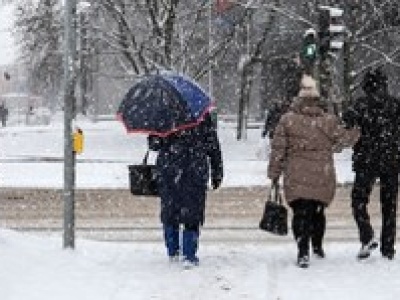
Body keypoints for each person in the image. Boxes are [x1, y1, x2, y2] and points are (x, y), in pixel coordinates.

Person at [267, 75, 360, 268]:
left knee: (300, 212)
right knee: (318, 212)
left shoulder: (287, 120)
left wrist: (274, 173)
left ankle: (303, 249)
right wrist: (357, 130)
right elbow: (345, 139)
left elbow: (278, 149)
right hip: (322, 174)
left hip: (296, 173)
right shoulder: (329, 121)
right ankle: (317, 246)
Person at [148, 112, 223, 268]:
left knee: (170, 210)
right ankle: (189, 253)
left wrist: (160, 136)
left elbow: (154, 145)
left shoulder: (164, 114)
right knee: (192, 212)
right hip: (195, 170)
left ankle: (173, 250)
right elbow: (213, 146)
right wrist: (217, 171)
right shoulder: (202, 115)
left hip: (170, 169)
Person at [342, 68, 400, 260]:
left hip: (366, 159)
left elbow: (347, 122)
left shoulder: (360, 106)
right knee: (389, 206)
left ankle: (366, 234)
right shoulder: (395, 105)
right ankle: (388, 247)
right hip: (391, 160)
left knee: (359, 201)